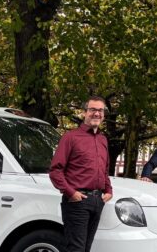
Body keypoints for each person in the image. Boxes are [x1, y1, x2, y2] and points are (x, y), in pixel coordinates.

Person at [49, 96, 113, 252]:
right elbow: (55, 171)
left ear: (103, 114)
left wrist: (109, 190)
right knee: (75, 249)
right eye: (92, 110)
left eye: (100, 110)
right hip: (77, 202)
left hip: (98, 201)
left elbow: (104, 169)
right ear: (85, 112)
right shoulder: (71, 137)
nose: (96, 114)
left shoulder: (103, 140)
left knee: (86, 248)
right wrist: (71, 193)